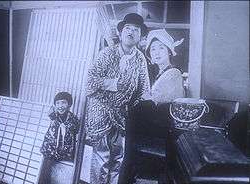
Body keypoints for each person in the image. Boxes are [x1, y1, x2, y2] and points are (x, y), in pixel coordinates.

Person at [85, 13, 150, 184]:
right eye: (128, 28)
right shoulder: (106, 53)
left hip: (122, 114)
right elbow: (90, 82)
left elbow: (143, 88)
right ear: (121, 33)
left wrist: (137, 104)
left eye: (136, 30)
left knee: (118, 158)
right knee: (102, 157)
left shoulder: (140, 58)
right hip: (101, 112)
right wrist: (116, 83)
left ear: (140, 36)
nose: (131, 32)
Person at [40, 92, 80, 184]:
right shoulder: (52, 116)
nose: (60, 106)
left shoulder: (73, 120)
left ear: (69, 104)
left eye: (63, 102)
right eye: (57, 103)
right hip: (50, 152)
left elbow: (75, 134)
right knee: (45, 173)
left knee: (62, 176)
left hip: (66, 153)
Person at [145, 29, 185, 104]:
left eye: (161, 48)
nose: (157, 52)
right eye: (153, 49)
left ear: (169, 51)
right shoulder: (159, 73)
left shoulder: (173, 73)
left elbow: (161, 100)